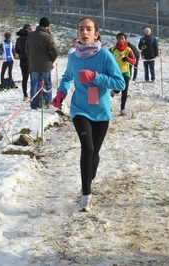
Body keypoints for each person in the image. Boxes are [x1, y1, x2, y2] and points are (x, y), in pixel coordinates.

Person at [52, 17, 125, 212]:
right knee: (88, 148)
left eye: (89, 29)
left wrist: (95, 77)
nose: (84, 32)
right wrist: (61, 92)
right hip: (80, 109)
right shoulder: (74, 57)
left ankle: (90, 180)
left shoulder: (104, 56)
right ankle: (86, 195)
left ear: (96, 34)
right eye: (81, 29)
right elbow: (68, 77)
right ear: (77, 33)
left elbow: (120, 83)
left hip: (101, 112)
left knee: (95, 153)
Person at [25, 17, 58, 110]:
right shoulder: (47, 36)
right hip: (46, 64)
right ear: (47, 26)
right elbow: (55, 51)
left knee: (34, 85)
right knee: (47, 84)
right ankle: (48, 102)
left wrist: (31, 57)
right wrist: (51, 60)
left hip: (34, 64)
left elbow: (26, 49)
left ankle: (33, 105)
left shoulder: (30, 35)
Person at [109, 32, 137, 116]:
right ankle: (114, 91)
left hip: (126, 72)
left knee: (125, 90)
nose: (121, 40)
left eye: (122, 39)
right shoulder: (112, 49)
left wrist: (127, 59)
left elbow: (134, 61)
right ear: (117, 39)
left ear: (125, 40)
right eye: (119, 39)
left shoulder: (128, 49)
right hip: (115, 72)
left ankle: (122, 109)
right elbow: (106, 59)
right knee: (118, 89)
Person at [15, 24, 32, 102]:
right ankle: (33, 94)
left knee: (24, 79)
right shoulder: (31, 37)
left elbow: (16, 50)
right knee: (33, 78)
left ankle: (25, 95)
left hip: (22, 60)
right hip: (30, 60)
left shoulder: (18, 39)